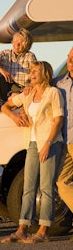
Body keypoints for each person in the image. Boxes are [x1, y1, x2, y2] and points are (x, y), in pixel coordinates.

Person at [0, 61, 64, 244]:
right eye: (31, 71)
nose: (32, 73)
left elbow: (58, 120)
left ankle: (44, 231)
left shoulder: (53, 93)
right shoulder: (28, 94)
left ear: (45, 73)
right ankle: (22, 229)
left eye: (36, 71)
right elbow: (6, 106)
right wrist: (15, 116)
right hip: (32, 143)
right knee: (28, 187)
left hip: (51, 143)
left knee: (46, 187)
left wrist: (48, 144)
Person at [0, 28, 37, 104]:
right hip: (6, 86)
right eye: (15, 41)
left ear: (26, 46)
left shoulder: (30, 56)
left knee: (14, 98)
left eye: (21, 43)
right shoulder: (6, 53)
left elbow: (36, 74)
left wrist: (30, 85)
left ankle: (11, 101)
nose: (17, 45)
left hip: (21, 88)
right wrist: (1, 70)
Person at [55, 47, 73, 238]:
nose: (70, 60)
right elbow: (39, 88)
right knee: (62, 182)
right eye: (68, 56)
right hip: (66, 142)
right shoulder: (58, 82)